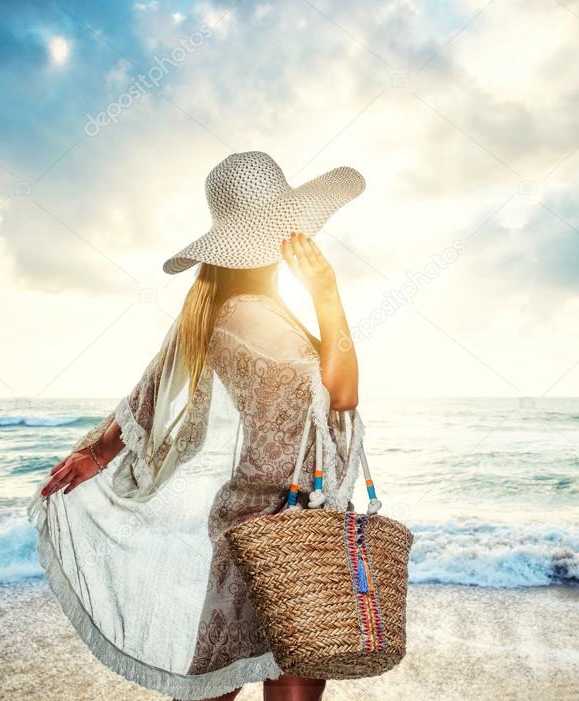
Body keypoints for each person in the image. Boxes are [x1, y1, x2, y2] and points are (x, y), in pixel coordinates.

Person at [28, 151, 367, 701]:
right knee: (275, 675)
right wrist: (327, 294)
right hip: (286, 520)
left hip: (263, 516)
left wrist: (101, 450)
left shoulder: (219, 310)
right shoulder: (249, 315)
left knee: (224, 673)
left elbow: (153, 385)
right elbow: (342, 394)